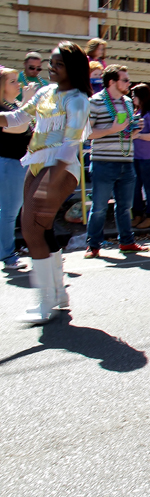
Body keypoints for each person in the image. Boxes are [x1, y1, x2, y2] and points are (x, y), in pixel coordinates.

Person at [0, 42, 91, 323]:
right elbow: (17, 118)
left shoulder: (77, 99)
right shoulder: (45, 92)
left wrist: (52, 181)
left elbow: (70, 143)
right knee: (43, 228)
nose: (51, 68)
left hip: (60, 167)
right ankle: (58, 295)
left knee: (30, 228)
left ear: (72, 69)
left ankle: (44, 303)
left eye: (58, 64)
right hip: (36, 162)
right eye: (51, 63)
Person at [84, 65, 149, 258]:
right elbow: (87, 134)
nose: (129, 84)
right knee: (99, 207)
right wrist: (112, 129)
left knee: (125, 207)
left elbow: (125, 132)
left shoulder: (128, 102)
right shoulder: (94, 102)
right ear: (112, 82)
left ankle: (127, 242)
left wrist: (136, 129)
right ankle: (93, 245)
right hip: (104, 162)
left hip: (126, 160)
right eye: (125, 80)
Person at [0, 67, 32, 271]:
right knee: (9, 212)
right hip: (8, 163)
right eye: (12, 81)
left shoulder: (15, 105)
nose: (19, 84)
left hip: (18, 162)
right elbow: (18, 126)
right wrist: (29, 104)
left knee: (11, 211)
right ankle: (8, 255)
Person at [130, 84, 150, 229]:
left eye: (134, 95)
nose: (132, 98)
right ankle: (138, 214)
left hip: (148, 157)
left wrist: (138, 135)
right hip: (135, 156)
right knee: (135, 187)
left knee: (148, 186)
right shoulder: (138, 112)